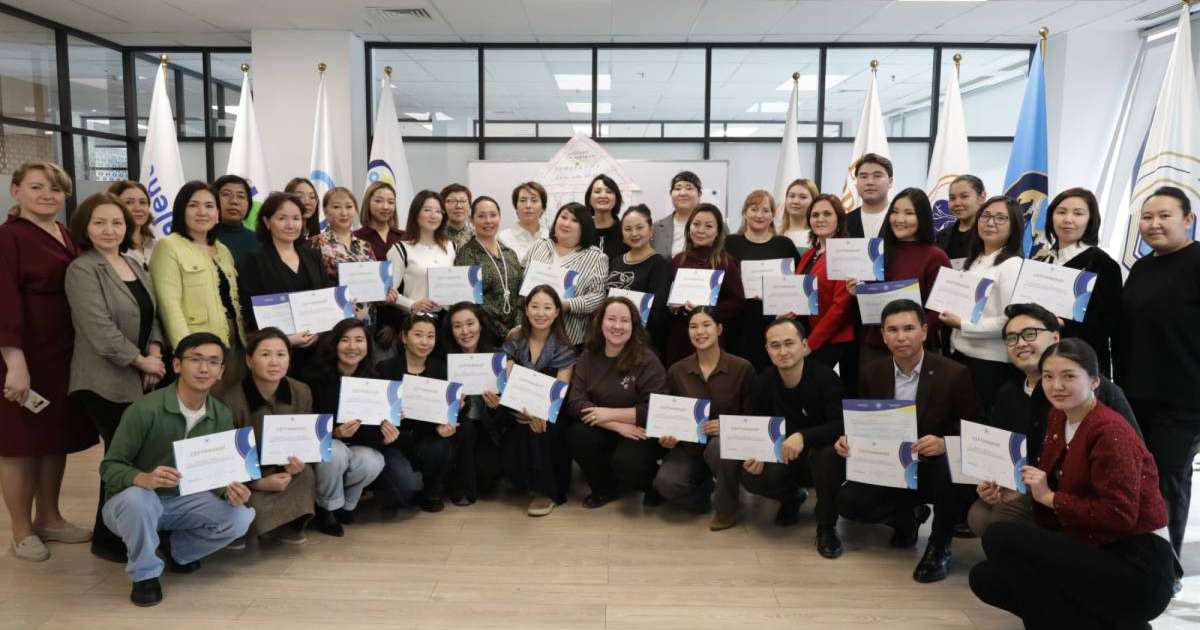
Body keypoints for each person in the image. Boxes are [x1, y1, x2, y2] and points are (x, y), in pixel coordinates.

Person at [969, 340, 1179, 629]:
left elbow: (1119, 516)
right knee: (985, 577)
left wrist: (1049, 498)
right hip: (1094, 547)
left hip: (1138, 566)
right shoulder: (1059, 417)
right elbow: (1057, 482)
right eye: (1048, 376)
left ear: (1094, 381)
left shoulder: (1110, 432)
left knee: (999, 537)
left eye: (1069, 376)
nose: (1056, 386)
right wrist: (1018, 490)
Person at [99, 332, 255, 607]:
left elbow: (217, 475)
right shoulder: (144, 410)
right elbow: (109, 467)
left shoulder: (221, 414)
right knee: (139, 500)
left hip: (183, 501)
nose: (204, 368)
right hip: (131, 504)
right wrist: (143, 478)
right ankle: (144, 575)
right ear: (177, 365)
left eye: (213, 362)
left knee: (240, 517)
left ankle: (176, 551)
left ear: (221, 371)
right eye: (195, 359)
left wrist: (231, 491)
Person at [836, 299, 981, 583]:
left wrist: (944, 442)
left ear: (924, 331)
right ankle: (907, 517)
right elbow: (867, 421)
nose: (901, 337)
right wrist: (849, 439)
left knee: (946, 468)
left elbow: (975, 428)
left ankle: (939, 546)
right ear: (883, 335)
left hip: (932, 464)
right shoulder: (871, 372)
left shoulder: (954, 373)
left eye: (909, 328)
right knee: (848, 502)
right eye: (892, 330)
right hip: (889, 464)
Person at [968, 303, 1140, 536]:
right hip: (1029, 483)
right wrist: (994, 482)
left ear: (1056, 337)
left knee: (1001, 521)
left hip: (1079, 491)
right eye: (1011, 338)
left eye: (1030, 334)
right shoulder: (1008, 392)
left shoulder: (1096, 390)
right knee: (978, 515)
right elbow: (1000, 450)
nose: (1020, 343)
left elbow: (1133, 453)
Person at [0, 162, 97, 563]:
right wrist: (14, 362)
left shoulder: (65, 234)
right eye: (37, 187)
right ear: (16, 190)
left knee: (53, 438)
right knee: (20, 445)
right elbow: (4, 301)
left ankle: (50, 517)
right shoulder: (8, 238)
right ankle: (21, 531)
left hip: (62, 353)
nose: (47, 195)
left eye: (55, 189)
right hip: (24, 354)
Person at [65, 192, 166, 562]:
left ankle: (120, 530)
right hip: (102, 380)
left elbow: (153, 316)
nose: (109, 230)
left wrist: (154, 352)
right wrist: (141, 362)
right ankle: (108, 538)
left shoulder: (134, 264)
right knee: (121, 457)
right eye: (100, 222)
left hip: (140, 374)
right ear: (85, 228)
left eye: (117, 223)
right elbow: (99, 330)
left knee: (130, 455)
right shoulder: (82, 269)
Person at [709, 318, 846, 553]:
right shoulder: (763, 381)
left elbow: (841, 425)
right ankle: (791, 498)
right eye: (775, 345)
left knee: (825, 456)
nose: (783, 351)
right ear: (767, 350)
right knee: (753, 475)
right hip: (783, 455)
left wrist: (803, 436)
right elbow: (760, 425)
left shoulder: (826, 378)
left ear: (804, 345)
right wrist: (758, 454)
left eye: (789, 343)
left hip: (819, 456)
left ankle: (826, 526)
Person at [1118, 185, 1200, 562]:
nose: (1154, 224)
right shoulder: (1142, 267)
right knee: (1137, 477)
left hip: (1185, 398)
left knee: (1168, 478)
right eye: (1147, 218)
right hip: (1136, 394)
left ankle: (1166, 568)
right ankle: (1138, 555)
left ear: (1188, 219)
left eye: (1164, 216)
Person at [566, 297, 668, 508]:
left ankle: (652, 486)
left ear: (634, 326)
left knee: (629, 463)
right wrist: (614, 423)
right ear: (600, 322)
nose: (617, 326)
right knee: (576, 435)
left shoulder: (647, 359)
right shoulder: (588, 356)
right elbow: (575, 402)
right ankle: (604, 488)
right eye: (611, 319)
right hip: (608, 425)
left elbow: (655, 410)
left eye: (625, 320)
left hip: (639, 429)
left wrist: (609, 414)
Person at [217, 328, 316, 544]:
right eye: (265, 354)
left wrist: (294, 465)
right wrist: (258, 483)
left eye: (281, 354)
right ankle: (254, 527)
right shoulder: (231, 401)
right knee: (246, 506)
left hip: (282, 469)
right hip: (247, 478)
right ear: (249, 360)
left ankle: (284, 525)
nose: (274, 362)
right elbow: (227, 459)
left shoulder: (301, 391)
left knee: (305, 474)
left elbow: (304, 440)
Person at [654, 307, 749, 515]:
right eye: (693, 326)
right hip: (690, 447)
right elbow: (669, 415)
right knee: (666, 483)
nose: (700, 332)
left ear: (719, 329)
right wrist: (666, 436)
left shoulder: (742, 368)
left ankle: (727, 508)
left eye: (706, 325)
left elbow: (753, 415)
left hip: (726, 446)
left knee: (718, 449)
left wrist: (726, 426)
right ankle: (704, 496)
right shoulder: (676, 370)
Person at [298, 318, 387, 536]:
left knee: (373, 461)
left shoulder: (375, 380)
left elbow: (375, 431)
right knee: (334, 451)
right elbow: (306, 426)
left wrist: (387, 429)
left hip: (357, 446)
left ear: (367, 345)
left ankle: (346, 506)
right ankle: (327, 509)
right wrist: (334, 432)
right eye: (345, 340)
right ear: (334, 344)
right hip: (325, 447)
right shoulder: (314, 377)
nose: (352, 346)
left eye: (359, 340)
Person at [941, 195, 1024, 415]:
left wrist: (963, 324)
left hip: (989, 364)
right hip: (961, 355)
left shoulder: (1011, 265)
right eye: (985, 216)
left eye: (1000, 218)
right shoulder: (976, 260)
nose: (990, 222)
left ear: (1014, 225)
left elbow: (1011, 321)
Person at [848, 188, 949, 367]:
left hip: (916, 350)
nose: (899, 219)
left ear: (922, 218)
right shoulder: (877, 252)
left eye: (909, 213)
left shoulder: (935, 256)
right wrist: (858, 293)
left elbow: (939, 310)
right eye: (894, 212)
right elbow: (872, 297)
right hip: (875, 347)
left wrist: (912, 336)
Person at [501, 285, 576, 516]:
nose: (540, 313)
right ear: (526, 309)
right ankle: (522, 478)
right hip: (516, 407)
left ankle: (548, 491)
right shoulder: (514, 339)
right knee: (511, 421)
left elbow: (560, 391)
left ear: (556, 312)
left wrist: (538, 413)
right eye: (534, 306)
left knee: (545, 427)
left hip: (550, 411)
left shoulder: (565, 347)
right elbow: (508, 381)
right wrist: (521, 411)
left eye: (547, 307)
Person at [150, 180, 246, 357]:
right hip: (197, 346)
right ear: (181, 210)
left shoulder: (222, 249)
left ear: (217, 213)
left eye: (209, 206)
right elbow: (169, 307)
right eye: (193, 205)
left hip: (235, 344)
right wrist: (186, 352)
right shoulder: (168, 246)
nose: (202, 212)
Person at [236, 192, 326, 377]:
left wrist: (318, 332)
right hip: (274, 355)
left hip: (316, 352)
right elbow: (249, 309)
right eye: (282, 218)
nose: (290, 224)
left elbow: (324, 299)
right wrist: (287, 340)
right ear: (267, 222)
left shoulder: (313, 256)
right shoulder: (253, 261)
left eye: (296, 218)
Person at [1036, 188, 1122, 378]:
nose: (1068, 219)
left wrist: (1063, 322)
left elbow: (1109, 324)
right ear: (1051, 217)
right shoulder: (1040, 261)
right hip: (1038, 359)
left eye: (1078, 213)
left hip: (1080, 366)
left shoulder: (1103, 265)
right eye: (1061, 212)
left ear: (1090, 220)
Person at [377, 313, 456, 512]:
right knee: (406, 491)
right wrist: (388, 418)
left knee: (442, 446)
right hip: (395, 443)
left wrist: (457, 413)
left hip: (428, 439)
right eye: (418, 335)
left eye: (431, 336)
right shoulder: (385, 369)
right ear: (404, 337)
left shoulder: (441, 369)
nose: (425, 342)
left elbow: (456, 410)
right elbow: (374, 412)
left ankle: (432, 491)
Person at [725, 190, 800, 371]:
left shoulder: (784, 245)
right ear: (744, 213)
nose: (759, 215)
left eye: (766, 210)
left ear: (773, 215)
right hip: (739, 322)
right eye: (754, 209)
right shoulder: (730, 243)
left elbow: (797, 284)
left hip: (774, 322)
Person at [664, 203, 746, 366]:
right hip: (680, 336)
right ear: (689, 228)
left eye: (708, 226)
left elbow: (737, 301)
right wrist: (675, 306)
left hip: (710, 337)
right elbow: (668, 298)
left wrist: (707, 310)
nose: (701, 230)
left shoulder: (725, 261)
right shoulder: (678, 260)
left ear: (717, 232)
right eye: (696, 224)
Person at [442, 303, 506, 505]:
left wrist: (497, 406)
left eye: (470, 324)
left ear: (481, 325)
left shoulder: (496, 358)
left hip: (489, 430)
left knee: (488, 478)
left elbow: (507, 415)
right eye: (457, 326)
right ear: (451, 331)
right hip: (458, 431)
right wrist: (453, 407)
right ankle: (463, 487)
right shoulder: (444, 362)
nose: (465, 331)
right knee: (466, 427)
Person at [522, 202, 608, 346]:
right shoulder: (539, 245)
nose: (566, 223)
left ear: (584, 227)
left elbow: (598, 296)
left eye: (575, 221)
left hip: (569, 339)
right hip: (529, 335)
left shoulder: (597, 257)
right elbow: (521, 280)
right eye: (563, 217)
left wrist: (567, 305)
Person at [797, 194, 858, 396]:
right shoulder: (810, 254)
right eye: (815, 215)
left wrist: (812, 343)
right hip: (807, 334)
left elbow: (840, 307)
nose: (820, 219)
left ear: (839, 219)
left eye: (826, 214)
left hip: (832, 342)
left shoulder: (845, 252)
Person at [454, 196, 523, 342]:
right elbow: (471, 302)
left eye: (493, 215)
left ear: (499, 217)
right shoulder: (467, 254)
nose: (488, 221)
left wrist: (518, 326)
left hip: (517, 334)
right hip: (484, 335)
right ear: (471, 220)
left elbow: (519, 294)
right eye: (481, 216)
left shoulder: (509, 253)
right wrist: (504, 333)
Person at [607, 204, 672, 357]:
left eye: (639, 227)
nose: (634, 233)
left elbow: (656, 312)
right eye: (628, 229)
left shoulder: (659, 264)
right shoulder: (616, 262)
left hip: (642, 345)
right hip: (612, 339)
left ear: (651, 230)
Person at [385, 190, 457, 319]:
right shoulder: (400, 249)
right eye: (427, 210)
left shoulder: (452, 247)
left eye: (438, 211)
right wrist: (412, 304)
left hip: (449, 321)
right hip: (417, 321)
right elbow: (389, 292)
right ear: (415, 213)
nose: (433, 215)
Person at [307, 186, 376, 285]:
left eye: (349, 207)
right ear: (326, 212)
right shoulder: (315, 243)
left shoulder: (365, 245)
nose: (344, 213)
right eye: (336, 207)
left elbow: (374, 280)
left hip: (368, 300)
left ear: (355, 210)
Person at [934, 175, 985, 263]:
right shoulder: (941, 235)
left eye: (964, 196)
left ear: (981, 197)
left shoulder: (990, 233)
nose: (957, 203)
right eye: (952, 198)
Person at [211, 174, 260, 266]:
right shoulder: (203, 237)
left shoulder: (260, 241)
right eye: (226, 194)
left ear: (248, 204)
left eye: (241, 196)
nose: (234, 201)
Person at [652, 171, 703, 259]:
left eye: (689, 188)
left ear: (699, 194)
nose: (682, 193)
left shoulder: (715, 226)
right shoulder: (656, 228)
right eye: (677, 189)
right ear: (671, 194)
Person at [107, 180, 157, 269]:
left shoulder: (157, 245)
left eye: (142, 202)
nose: (138, 208)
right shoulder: (109, 248)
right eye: (128, 202)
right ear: (113, 206)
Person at [354, 181, 404, 261]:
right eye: (378, 201)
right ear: (368, 203)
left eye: (391, 202)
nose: (385, 207)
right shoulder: (355, 238)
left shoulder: (404, 237)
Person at [499, 181, 548, 262]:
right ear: (516, 208)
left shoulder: (550, 237)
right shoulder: (502, 238)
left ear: (543, 208)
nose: (528, 205)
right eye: (523, 200)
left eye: (534, 200)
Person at [846, 153, 893, 238]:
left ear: (890, 182)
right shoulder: (844, 222)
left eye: (877, 176)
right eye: (864, 177)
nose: (870, 182)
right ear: (856, 182)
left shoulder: (901, 219)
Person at [585, 173, 625, 260]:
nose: (603, 196)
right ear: (589, 199)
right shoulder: (581, 231)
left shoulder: (626, 231)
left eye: (609, 192)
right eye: (597, 191)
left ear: (616, 199)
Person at [780, 178, 818, 254]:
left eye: (803, 197)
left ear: (814, 202)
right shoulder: (775, 235)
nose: (795, 201)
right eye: (792, 196)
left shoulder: (819, 237)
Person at [441, 183, 474, 250]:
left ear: (470, 205)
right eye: (452, 201)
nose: (458, 206)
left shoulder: (477, 236)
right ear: (442, 206)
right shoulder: (436, 236)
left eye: (463, 201)